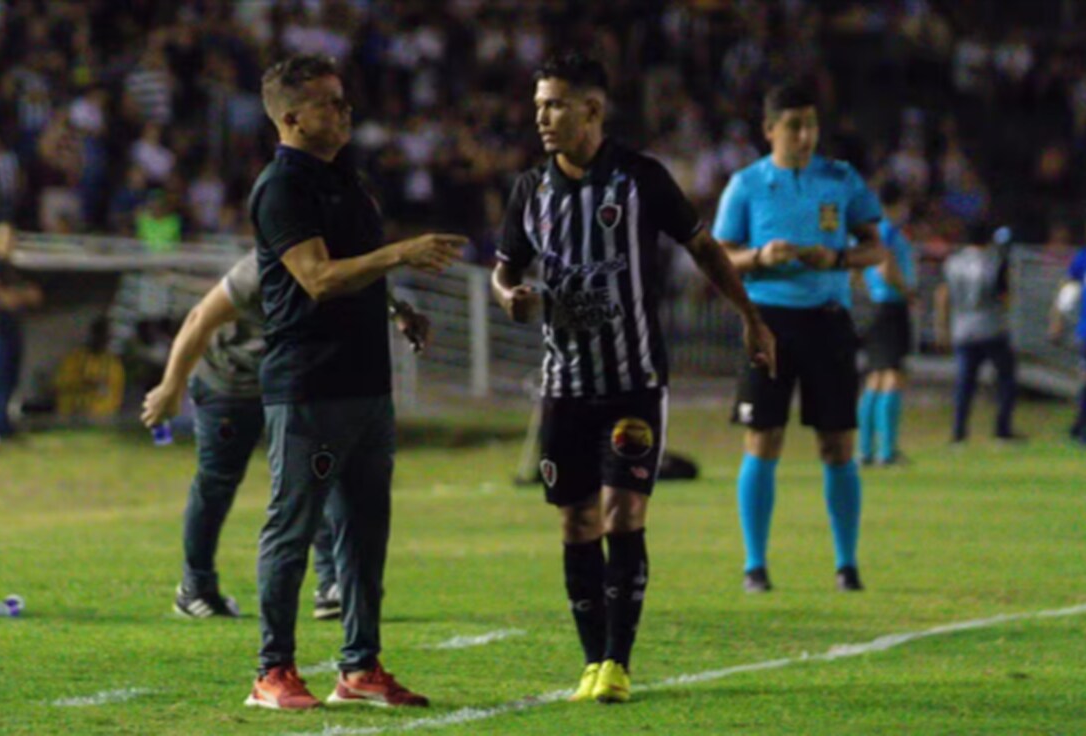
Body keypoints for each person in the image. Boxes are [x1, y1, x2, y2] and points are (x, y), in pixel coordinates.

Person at [492, 54, 774, 704]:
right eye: (538, 105)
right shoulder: (529, 191)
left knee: (624, 513)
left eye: (555, 104)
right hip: (563, 385)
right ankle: (591, 661)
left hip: (634, 380)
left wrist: (751, 319)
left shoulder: (641, 179)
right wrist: (509, 292)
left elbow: (703, 246)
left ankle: (618, 662)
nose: (542, 117)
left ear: (592, 110)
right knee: (575, 523)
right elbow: (504, 268)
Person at [245, 54, 463, 711]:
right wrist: (399, 252)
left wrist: (398, 307)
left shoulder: (346, 179)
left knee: (366, 530)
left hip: (368, 383)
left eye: (343, 101)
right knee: (294, 524)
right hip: (310, 386)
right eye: (329, 104)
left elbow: (357, 272)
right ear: (291, 116)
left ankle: (359, 667)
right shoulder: (281, 188)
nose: (343, 113)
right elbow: (316, 276)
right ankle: (272, 671)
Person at [713, 83, 887, 595]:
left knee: (837, 444)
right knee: (763, 438)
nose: (806, 135)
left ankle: (847, 565)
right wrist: (761, 259)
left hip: (829, 320)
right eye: (794, 125)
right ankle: (754, 565)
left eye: (811, 125)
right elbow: (719, 256)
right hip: (767, 321)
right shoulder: (746, 184)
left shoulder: (840, 178)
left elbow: (875, 249)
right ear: (770, 130)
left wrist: (832, 259)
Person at [139, 253, 344, 621]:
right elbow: (199, 318)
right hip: (229, 385)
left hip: (288, 384)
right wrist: (171, 386)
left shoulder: (339, 259)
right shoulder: (262, 266)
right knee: (217, 482)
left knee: (313, 472)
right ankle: (195, 587)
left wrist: (397, 311)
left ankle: (330, 585)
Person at [934, 224, 1021, 444]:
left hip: (962, 327)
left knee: (964, 382)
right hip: (991, 327)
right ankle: (1002, 429)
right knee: (1006, 377)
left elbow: (943, 295)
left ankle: (959, 431)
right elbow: (1005, 296)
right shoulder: (994, 261)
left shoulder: (953, 262)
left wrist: (942, 328)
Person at [857, 182, 917, 465]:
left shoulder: (867, 230)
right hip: (891, 306)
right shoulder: (888, 231)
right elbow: (885, 263)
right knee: (892, 376)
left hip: (874, 307)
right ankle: (887, 451)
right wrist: (906, 290)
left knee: (875, 378)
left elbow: (857, 270)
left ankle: (865, 449)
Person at [0, 223, 42, 444]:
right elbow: (6, 298)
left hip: (12, 327)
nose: (10, 243)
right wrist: (23, 295)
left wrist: (22, 295)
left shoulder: (11, 268)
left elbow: (30, 295)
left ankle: (3, 424)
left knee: (9, 378)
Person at [1048, 242, 1086, 444]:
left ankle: (1079, 427)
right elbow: (1068, 290)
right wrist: (1057, 319)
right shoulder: (1083, 258)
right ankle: (1081, 430)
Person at [54, 317, 125, 420]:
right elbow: (59, 383)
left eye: (106, 337)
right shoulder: (75, 359)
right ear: (92, 335)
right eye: (100, 335)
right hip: (72, 418)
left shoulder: (114, 365)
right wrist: (83, 382)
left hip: (102, 420)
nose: (103, 340)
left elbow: (116, 395)